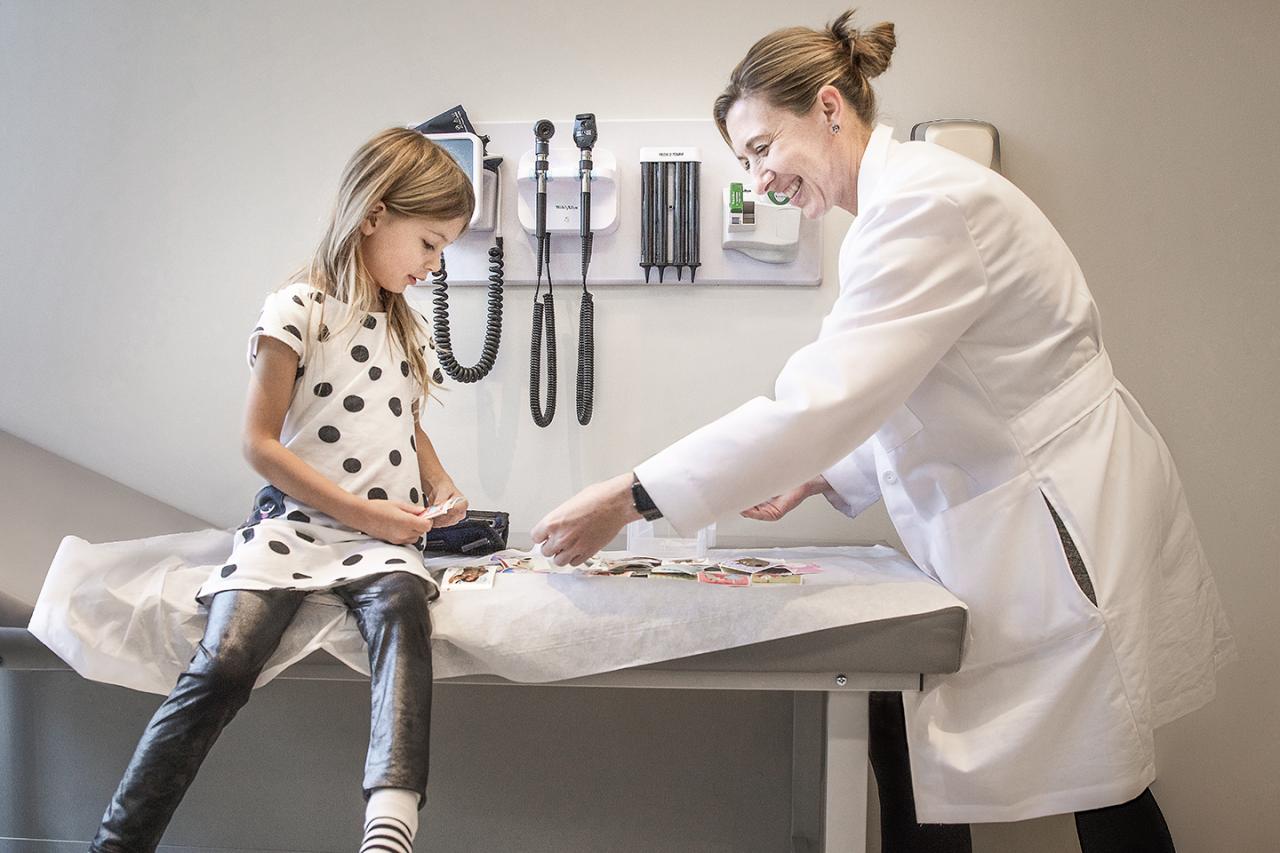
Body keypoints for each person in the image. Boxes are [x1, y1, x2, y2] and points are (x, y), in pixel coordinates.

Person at [532, 10, 1235, 851]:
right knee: (986, 757)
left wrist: (628, 497)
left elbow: (821, 402)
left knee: (1102, 778)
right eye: (744, 160)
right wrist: (829, 474)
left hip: (1055, 526)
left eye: (761, 149)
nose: (757, 181)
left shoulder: (924, 206)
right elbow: (912, 386)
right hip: (1024, 513)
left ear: (830, 108)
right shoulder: (900, 207)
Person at [89, 127, 473, 853]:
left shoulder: (402, 327)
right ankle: (119, 840)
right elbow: (258, 443)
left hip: (373, 542)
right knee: (226, 660)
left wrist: (442, 483)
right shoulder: (299, 308)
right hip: (293, 528)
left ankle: (389, 827)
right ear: (373, 215)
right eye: (429, 243)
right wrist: (366, 512)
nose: (434, 264)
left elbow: (405, 423)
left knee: (401, 609)